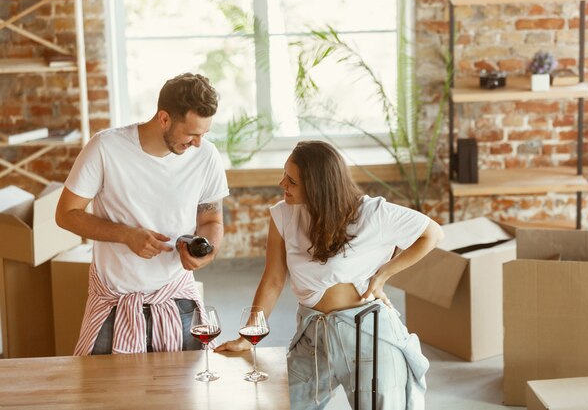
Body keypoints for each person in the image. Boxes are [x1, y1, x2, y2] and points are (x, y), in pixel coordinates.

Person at [217, 140, 443, 410]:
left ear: (318, 187)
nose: (281, 184)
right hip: (313, 336)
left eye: (291, 181)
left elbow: (432, 233)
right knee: (282, 404)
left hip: (367, 336)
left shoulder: (372, 213)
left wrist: (383, 275)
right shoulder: (283, 215)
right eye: (284, 175)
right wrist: (247, 336)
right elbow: (273, 278)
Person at [56, 73, 229, 355]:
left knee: (186, 395)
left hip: (176, 299)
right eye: (192, 134)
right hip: (114, 303)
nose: (197, 143)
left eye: (203, 134)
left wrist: (208, 252)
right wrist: (125, 235)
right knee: (102, 395)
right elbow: (66, 213)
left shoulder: (206, 156)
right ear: (164, 118)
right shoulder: (105, 148)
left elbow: (211, 220)